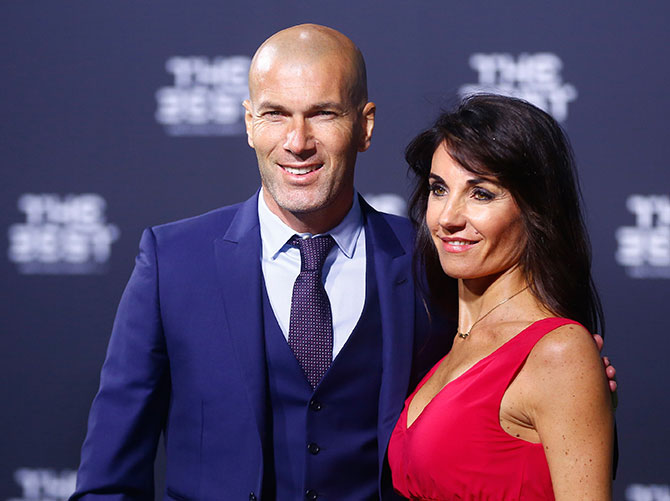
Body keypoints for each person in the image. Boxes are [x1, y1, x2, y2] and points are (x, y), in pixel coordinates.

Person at [71, 25, 615, 501]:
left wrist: (575, 392)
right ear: (249, 124)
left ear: (365, 125)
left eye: (323, 114)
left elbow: (514, 384)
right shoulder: (173, 261)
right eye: (275, 114)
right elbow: (109, 477)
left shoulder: (434, 261)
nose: (297, 141)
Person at [387, 94, 615, 500]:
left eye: (482, 194)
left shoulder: (558, 353)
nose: (448, 218)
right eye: (439, 189)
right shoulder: (451, 342)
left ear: (535, 209)